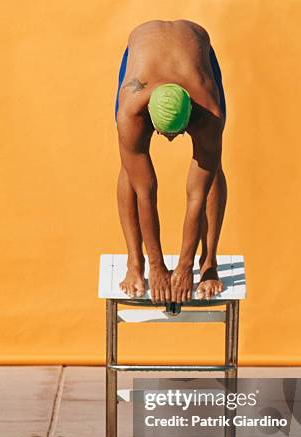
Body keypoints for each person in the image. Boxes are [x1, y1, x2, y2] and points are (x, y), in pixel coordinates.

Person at [115, 19, 227, 303]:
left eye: (175, 132)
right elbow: (146, 193)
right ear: (149, 117)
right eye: (164, 132)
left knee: (211, 169)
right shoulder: (131, 111)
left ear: (191, 113)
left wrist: (185, 267)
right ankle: (134, 264)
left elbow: (197, 196)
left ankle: (209, 263)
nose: (168, 139)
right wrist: (156, 266)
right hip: (143, 51)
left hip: (196, 52)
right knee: (132, 170)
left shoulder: (209, 111)